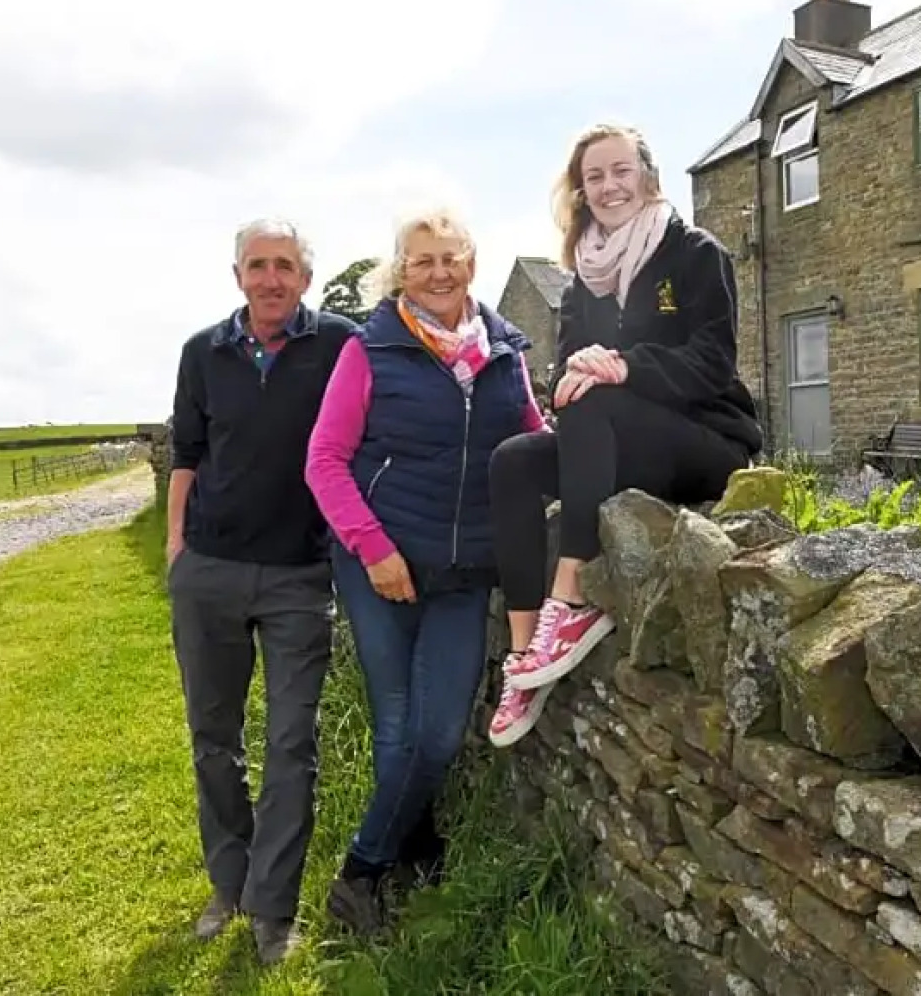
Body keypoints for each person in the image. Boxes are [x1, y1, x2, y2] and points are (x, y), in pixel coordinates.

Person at [304, 205, 545, 936]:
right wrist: (374, 551)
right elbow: (324, 461)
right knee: (398, 721)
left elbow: (534, 439)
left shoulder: (505, 350)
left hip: (464, 569)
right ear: (399, 272)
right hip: (378, 563)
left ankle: (361, 870)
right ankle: (405, 855)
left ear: (471, 262)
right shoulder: (370, 350)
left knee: (438, 730)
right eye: (421, 261)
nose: (438, 272)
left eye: (451, 257)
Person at [485, 124, 763, 747]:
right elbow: (563, 368)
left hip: (707, 440)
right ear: (581, 191)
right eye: (595, 176)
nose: (610, 186)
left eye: (621, 171)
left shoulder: (695, 253)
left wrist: (626, 367)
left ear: (646, 176)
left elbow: (712, 362)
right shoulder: (583, 274)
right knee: (513, 462)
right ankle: (526, 652)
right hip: (615, 436)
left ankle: (573, 599)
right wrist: (574, 376)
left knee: (598, 391)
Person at [166, 218, 356, 965]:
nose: (270, 278)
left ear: (305, 278)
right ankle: (229, 884)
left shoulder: (339, 345)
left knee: (290, 743)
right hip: (208, 569)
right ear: (237, 275)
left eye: (284, 265)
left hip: (299, 575)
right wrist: (176, 548)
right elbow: (187, 453)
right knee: (214, 739)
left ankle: (274, 909)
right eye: (257, 265)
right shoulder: (201, 353)